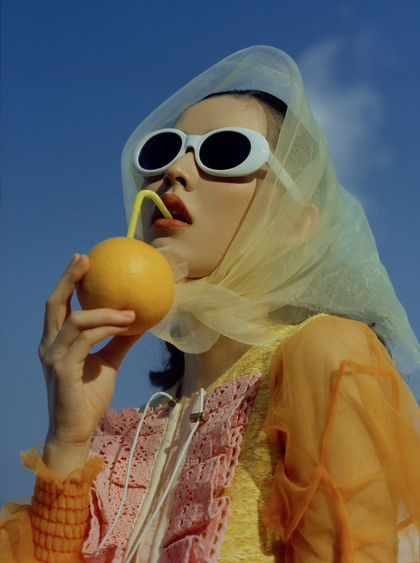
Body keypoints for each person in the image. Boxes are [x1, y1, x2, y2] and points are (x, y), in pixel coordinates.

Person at [1, 46, 420, 563]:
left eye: (225, 151)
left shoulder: (326, 354)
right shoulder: (131, 431)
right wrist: (68, 441)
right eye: (162, 151)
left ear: (296, 224)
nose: (175, 170)